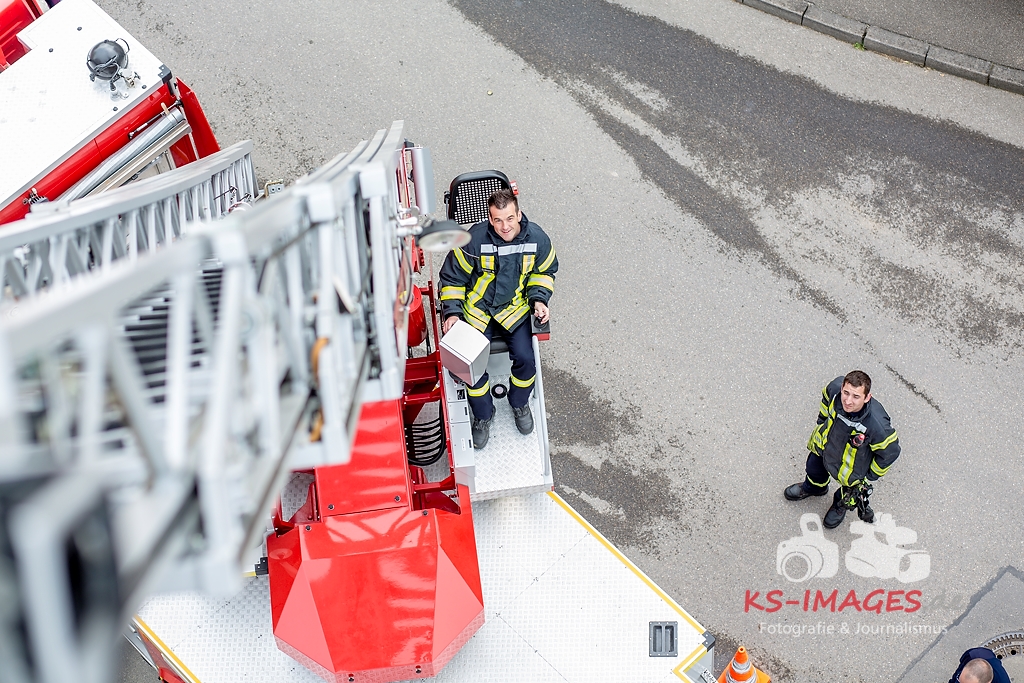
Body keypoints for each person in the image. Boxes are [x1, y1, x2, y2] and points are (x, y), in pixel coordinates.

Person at [438, 188, 558, 449]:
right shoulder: (472, 241)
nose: (505, 226)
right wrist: (453, 313)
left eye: (510, 218)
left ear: (519, 214)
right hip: (478, 311)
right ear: (490, 219)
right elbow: (452, 279)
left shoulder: (538, 239)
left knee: (526, 360)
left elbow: (544, 272)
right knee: (470, 366)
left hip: (514, 309)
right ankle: (483, 414)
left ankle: (519, 403)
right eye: (498, 220)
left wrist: (539, 300)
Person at [784, 370, 900, 529]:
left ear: (867, 397)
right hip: (824, 448)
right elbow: (826, 397)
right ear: (841, 388)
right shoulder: (834, 390)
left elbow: (890, 453)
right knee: (814, 468)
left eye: (856, 396)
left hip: (851, 467)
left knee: (849, 493)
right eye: (846, 393)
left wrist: (870, 475)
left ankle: (840, 505)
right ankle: (815, 488)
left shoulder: (877, 426)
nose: (848, 401)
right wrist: (822, 420)